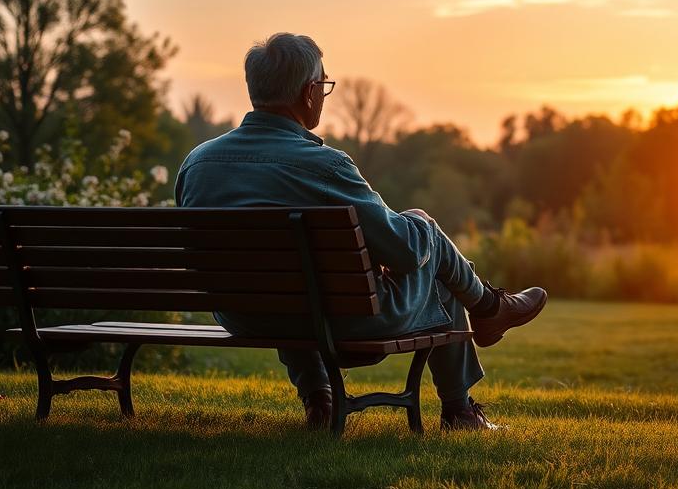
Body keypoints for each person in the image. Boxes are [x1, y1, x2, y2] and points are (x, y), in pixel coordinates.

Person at [174, 33, 547, 431]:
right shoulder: (323, 165)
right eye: (324, 86)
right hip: (345, 321)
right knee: (428, 244)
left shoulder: (198, 163)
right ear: (308, 93)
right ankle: (474, 363)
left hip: (245, 315)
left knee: (290, 285)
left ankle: (320, 400)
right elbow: (403, 253)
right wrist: (422, 223)